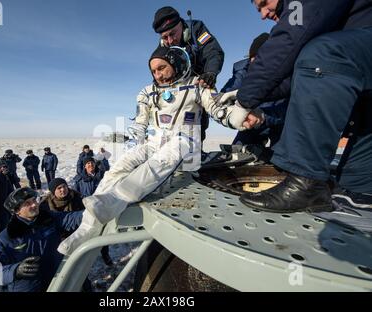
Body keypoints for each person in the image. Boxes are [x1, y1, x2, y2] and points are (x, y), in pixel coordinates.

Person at [58, 46, 228, 255]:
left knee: (155, 166)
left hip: (184, 141)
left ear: (175, 64)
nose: (158, 75)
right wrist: (133, 145)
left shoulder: (197, 86)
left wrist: (240, 117)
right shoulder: (148, 92)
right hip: (154, 141)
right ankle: (86, 228)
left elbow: (220, 109)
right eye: (154, 71)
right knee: (118, 168)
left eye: (162, 68)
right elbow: (140, 123)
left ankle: (114, 202)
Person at [218, 0, 372, 213]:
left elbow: (291, 42)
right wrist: (247, 95)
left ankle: (306, 181)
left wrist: (246, 100)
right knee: (355, 190)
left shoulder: (303, 10)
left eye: (263, 3)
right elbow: (300, 76)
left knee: (323, 52)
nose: (263, 14)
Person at [0, 187, 83, 292]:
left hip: (57, 283)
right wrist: (15, 271)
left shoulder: (49, 219)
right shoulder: (5, 239)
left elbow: (73, 218)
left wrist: (92, 211)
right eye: (27, 203)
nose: (34, 204)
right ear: (17, 210)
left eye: (34, 200)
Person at [152, 6, 225, 142]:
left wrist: (210, 72)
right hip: (177, 91)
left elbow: (213, 52)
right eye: (165, 37)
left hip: (200, 84)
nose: (170, 41)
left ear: (181, 24)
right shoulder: (163, 46)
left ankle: (195, 155)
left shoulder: (196, 29)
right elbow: (157, 68)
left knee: (197, 125)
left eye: (173, 33)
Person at [220, 32, 288, 147]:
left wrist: (263, 116)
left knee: (282, 158)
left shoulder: (287, 74)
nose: (255, 64)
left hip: (280, 122)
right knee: (237, 150)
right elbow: (227, 91)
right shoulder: (244, 71)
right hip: (252, 123)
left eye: (260, 60)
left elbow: (291, 108)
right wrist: (227, 105)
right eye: (253, 59)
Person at [72, 158, 113, 265]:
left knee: (103, 234)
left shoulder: (103, 176)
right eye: (88, 163)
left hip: (102, 209)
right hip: (86, 211)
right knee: (88, 233)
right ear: (85, 166)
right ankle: (87, 257)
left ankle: (105, 254)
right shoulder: (79, 180)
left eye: (92, 163)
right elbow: (75, 196)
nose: (90, 165)